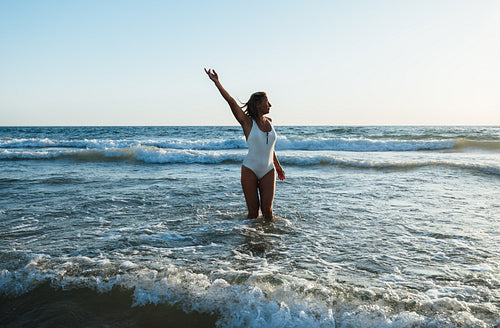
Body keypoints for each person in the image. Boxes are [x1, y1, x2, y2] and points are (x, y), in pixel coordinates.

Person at [205, 68, 285, 222]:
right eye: (267, 102)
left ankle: (269, 242)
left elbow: (270, 147)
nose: (270, 105)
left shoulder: (270, 122)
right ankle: (250, 241)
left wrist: (278, 166)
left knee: (268, 212)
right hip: (250, 170)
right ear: (258, 105)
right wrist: (217, 83)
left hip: (269, 169)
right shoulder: (247, 122)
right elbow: (231, 101)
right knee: (253, 213)